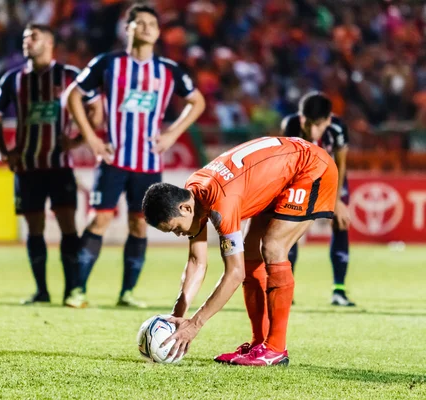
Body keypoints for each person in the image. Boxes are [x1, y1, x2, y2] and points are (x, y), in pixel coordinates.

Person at [142, 136, 338, 366]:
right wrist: (178, 314)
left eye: (175, 228)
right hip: (284, 171)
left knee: (273, 247)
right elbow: (197, 261)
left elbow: (235, 274)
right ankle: (259, 343)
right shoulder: (194, 191)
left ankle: (275, 349)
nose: (178, 234)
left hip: (310, 167)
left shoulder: (220, 202)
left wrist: (195, 325)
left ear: (185, 208)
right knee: (251, 255)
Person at [64, 4, 205, 308]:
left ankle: (127, 293)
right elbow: (73, 95)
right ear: (126, 28)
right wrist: (91, 138)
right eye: (138, 22)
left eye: (151, 23)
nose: (145, 27)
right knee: (99, 220)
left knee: (140, 224)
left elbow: (198, 101)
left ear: (158, 31)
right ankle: (77, 290)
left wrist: (172, 133)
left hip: (148, 162)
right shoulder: (108, 63)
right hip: (114, 159)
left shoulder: (168, 70)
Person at [0, 24, 102, 304]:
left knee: (67, 227)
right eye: (25, 38)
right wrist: (5, 151)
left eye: (34, 37)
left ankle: (72, 290)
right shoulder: (13, 79)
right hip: (27, 167)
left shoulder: (69, 76)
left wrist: (76, 141)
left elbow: (96, 107)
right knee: (34, 228)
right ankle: (41, 290)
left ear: (50, 44)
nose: (28, 42)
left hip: (59, 165)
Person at [281, 92, 354, 306]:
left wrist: (337, 199)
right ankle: (286, 290)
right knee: (289, 227)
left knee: (340, 223)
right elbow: (289, 163)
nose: (313, 131)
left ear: (328, 120)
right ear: (301, 117)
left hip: (332, 178)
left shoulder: (338, 128)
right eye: (308, 123)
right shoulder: (290, 125)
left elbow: (340, 164)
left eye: (319, 125)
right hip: (301, 179)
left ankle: (338, 291)